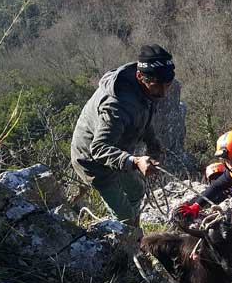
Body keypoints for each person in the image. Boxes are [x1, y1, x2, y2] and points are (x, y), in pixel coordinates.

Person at [71, 44, 175, 227]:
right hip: (91, 161)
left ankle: (132, 227)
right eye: (158, 87)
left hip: (118, 151)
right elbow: (99, 148)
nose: (164, 93)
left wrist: (153, 142)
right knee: (124, 214)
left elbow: (141, 115)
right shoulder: (116, 106)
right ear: (140, 77)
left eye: (168, 86)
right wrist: (135, 162)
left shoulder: (147, 89)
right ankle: (126, 234)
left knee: (136, 190)